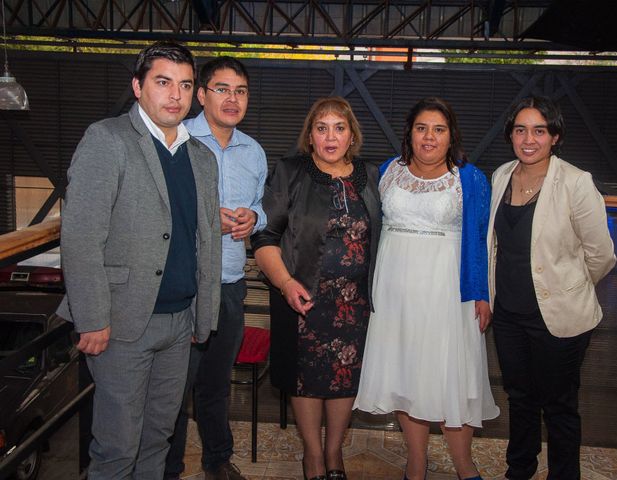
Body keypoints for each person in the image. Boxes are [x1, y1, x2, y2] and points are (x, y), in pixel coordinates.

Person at [56, 42, 221, 479]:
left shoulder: (201, 157)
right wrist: (91, 317)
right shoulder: (107, 139)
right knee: (116, 448)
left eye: (185, 85)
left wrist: (203, 316)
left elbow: (207, 240)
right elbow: (81, 234)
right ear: (137, 86)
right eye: (163, 82)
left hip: (179, 322)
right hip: (120, 322)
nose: (175, 95)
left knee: (157, 441)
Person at [354, 97, 499, 480]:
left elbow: (481, 240)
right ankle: (415, 463)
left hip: (448, 292)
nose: (429, 137)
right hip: (394, 291)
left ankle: (464, 467)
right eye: (422, 128)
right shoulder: (386, 171)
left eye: (439, 129)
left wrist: (481, 292)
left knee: (453, 375)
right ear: (410, 134)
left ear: (451, 136)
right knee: (406, 374)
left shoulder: (469, 178)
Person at [250, 97, 381, 480]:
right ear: (310, 136)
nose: (330, 136)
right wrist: (285, 283)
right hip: (302, 299)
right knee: (304, 377)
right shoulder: (290, 172)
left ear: (351, 135)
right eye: (321, 128)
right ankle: (312, 457)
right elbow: (265, 235)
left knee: (345, 375)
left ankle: (335, 453)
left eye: (339, 128)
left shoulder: (370, 175)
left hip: (355, 303)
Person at [487, 96, 616, 480]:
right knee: (520, 399)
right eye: (521, 129)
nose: (529, 139)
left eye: (539, 130)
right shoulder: (501, 176)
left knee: (559, 407)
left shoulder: (576, 183)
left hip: (559, 319)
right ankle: (519, 469)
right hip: (508, 315)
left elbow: (602, 255)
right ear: (510, 135)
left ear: (555, 136)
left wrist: (568, 289)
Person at [165, 56, 267, 480]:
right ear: (201, 95)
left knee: (216, 383)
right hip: (186, 286)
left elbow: (260, 205)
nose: (232, 99)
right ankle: (166, 468)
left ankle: (217, 460)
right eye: (222, 89)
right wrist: (208, 219)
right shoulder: (178, 142)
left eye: (240, 91)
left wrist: (253, 219)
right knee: (173, 389)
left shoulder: (254, 151)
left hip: (230, 283)